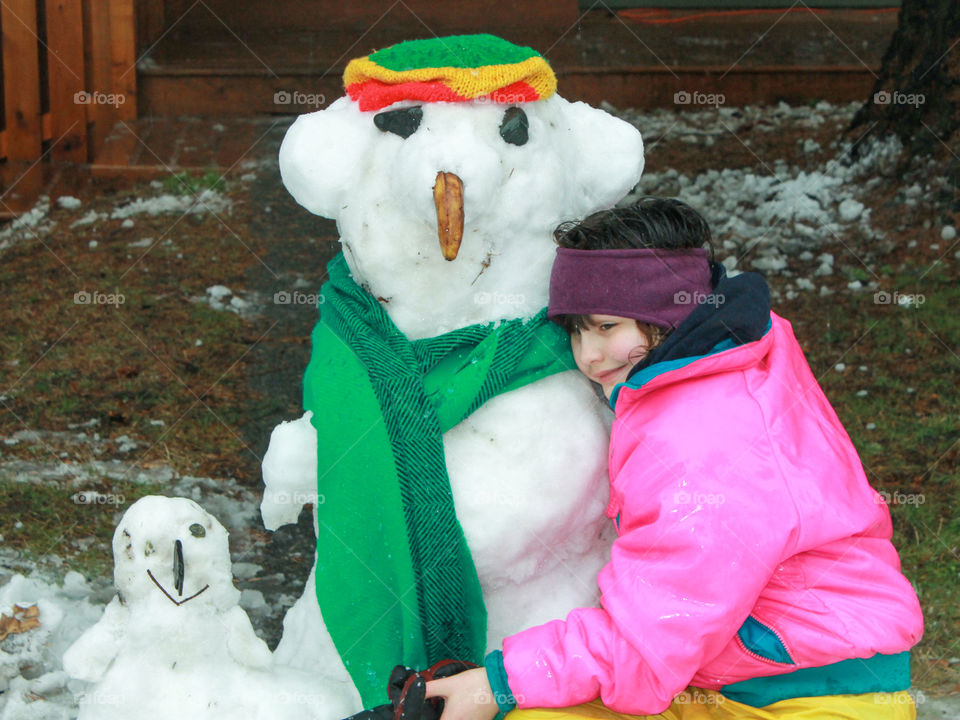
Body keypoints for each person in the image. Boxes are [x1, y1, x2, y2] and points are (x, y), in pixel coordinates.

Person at [423, 197, 924, 720]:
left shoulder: (701, 434)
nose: (587, 355)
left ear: (663, 316)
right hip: (742, 674)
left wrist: (498, 683)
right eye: (576, 329)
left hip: (816, 696)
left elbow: (658, 629)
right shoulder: (730, 358)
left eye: (606, 326)